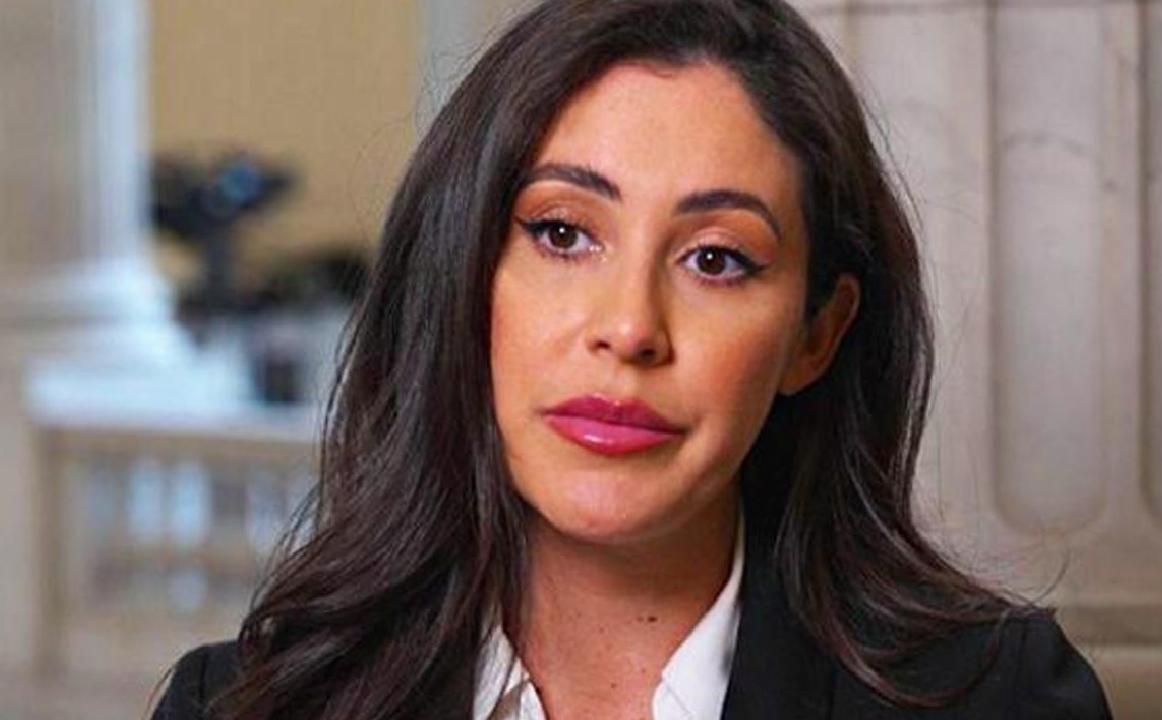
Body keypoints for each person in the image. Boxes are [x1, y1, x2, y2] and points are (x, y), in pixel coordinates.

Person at [151, 0, 1112, 718]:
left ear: (815, 334)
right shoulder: (245, 707)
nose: (629, 327)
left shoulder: (999, 701)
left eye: (716, 259)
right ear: (463, 277)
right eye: (563, 233)